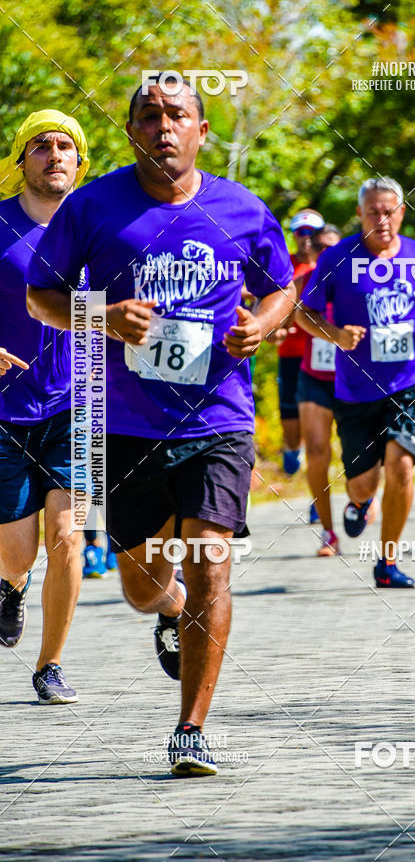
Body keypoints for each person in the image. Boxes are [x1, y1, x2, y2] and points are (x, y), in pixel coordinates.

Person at [27, 76, 295, 776]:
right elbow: (40, 294)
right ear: (132, 133)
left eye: (178, 115)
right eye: (149, 116)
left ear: (201, 131)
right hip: (128, 426)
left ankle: (191, 730)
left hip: (218, 418)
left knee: (211, 559)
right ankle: (168, 608)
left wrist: (261, 327)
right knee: (145, 584)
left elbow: (282, 288)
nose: (164, 127)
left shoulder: (241, 208)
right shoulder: (93, 206)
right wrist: (102, 317)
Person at [297, 177, 415, 588]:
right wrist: (336, 335)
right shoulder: (336, 257)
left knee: (401, 466)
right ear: (360, 214)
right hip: (355, 388)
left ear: (401, 213)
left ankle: (388, 562)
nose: (382, 221)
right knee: (363, 483)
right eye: (373, 212)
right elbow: (303, 314)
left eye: (389, 212)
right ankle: (359, 503)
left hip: (409, 379)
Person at [0, 110, 89, 704]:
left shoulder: (99, 228)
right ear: (20, 160)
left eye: (66, 146)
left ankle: (50, 666)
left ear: (79, 165)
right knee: (17, 551)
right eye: (41, 145)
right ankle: (10, 588)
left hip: (79, 406)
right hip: (4, 410)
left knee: (68, 538)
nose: (54, 154)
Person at [297, 225, 342, 555]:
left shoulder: (355, 276)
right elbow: (283, 320)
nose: (326, 254)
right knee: (315, 451)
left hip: (353, 379)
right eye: (320, 247)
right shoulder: (304, 281)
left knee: (364, 458)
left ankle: (362, 497)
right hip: (314, 376)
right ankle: (328, 531)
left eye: (333, 247)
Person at [275, 208, 324, 475]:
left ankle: (317, 485)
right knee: (291, 426)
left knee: (319, 427)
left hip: (322, 354)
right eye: (301, 232)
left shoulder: (330, 265)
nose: (306, 238)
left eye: (312, 232)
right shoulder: (285, 263)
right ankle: (296, 452)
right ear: (293, 234)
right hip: (291, 355)